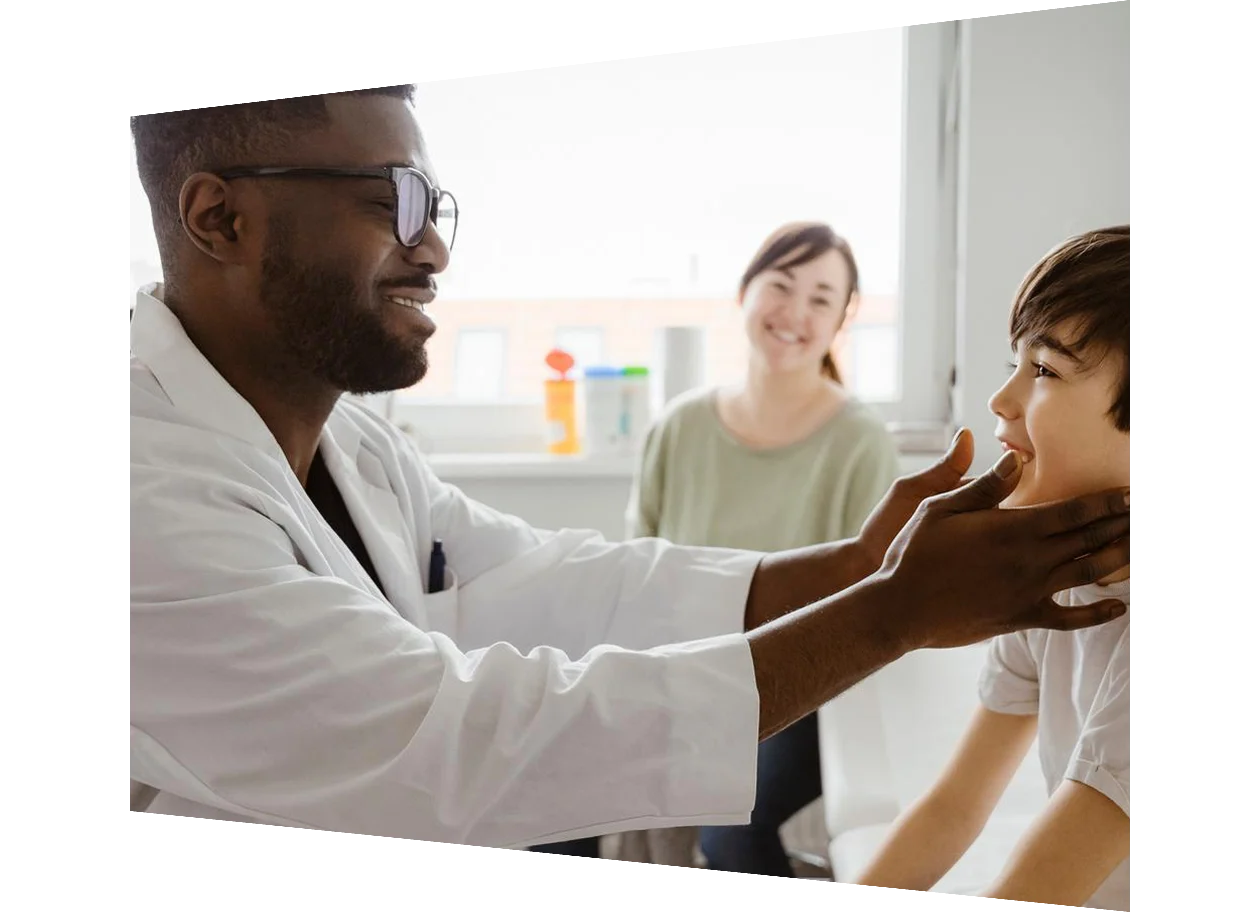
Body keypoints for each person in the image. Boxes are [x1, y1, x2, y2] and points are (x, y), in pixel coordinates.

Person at [127, 85, 1132, 847]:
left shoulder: (351, 441)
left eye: (435, 202)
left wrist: (867, 564)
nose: (431, 246)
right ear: (221, 218)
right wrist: (892, 608)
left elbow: (549, 582)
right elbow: (456, 746)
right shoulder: (152, 494)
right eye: (389, 199)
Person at [599, 223, 901, 875]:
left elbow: (870, 607)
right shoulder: (679, 426)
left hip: (803, 693)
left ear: (842, 320)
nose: (795, 312)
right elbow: (635, 575)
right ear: (744, 294)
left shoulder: (860, 442)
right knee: (555, 790)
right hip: (680, 679)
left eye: (822, 298)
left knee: (727, 825)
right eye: (781, 286)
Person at [848, 226, 1134, 909]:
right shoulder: (1053, 580)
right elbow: (954, 806)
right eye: (1017, 363)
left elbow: (1039, 886)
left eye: (1045, 371)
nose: (1000, 401)